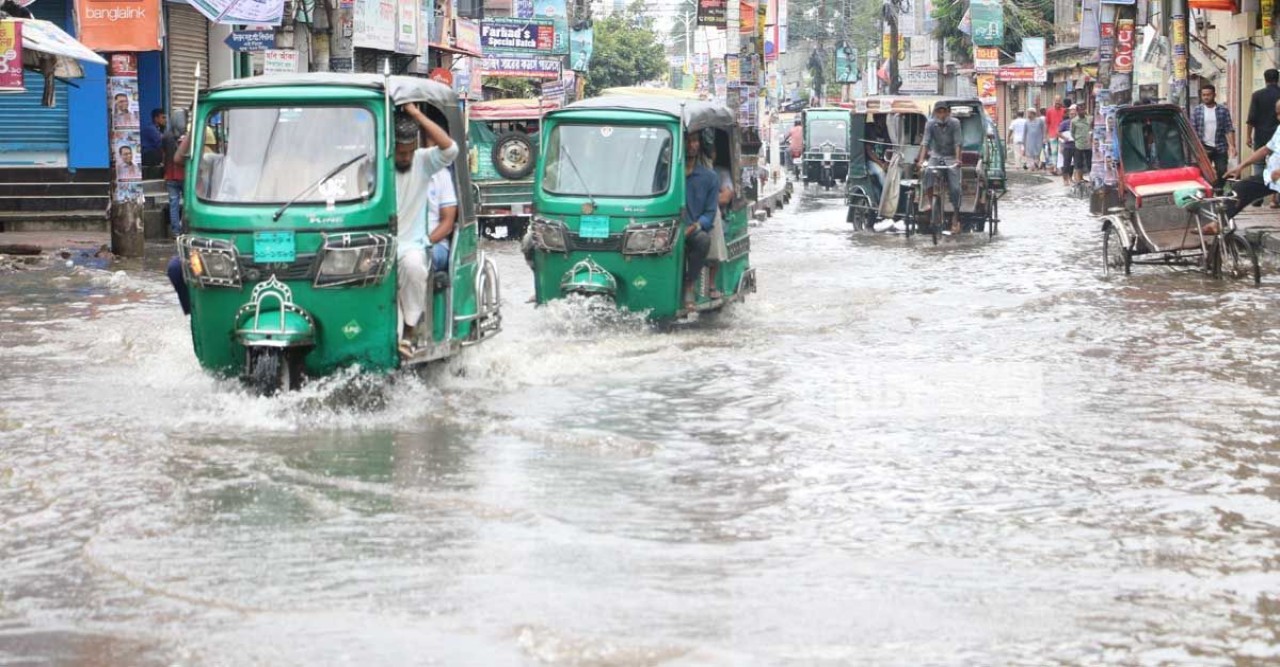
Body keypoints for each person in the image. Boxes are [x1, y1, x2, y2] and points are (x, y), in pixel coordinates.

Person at [392, 104, 459, 354]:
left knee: (412, 265)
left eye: (409, 152)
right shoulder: (377, 166)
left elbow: (450, 148)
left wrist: (417, 114)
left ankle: (410, 331)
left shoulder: (423, 163)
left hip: (413, 244)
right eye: (400, 153)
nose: (405, 158)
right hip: (381, 244)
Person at [682, 130, 719, 311]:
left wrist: (693, 227)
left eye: (694, 141)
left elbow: (710, 213)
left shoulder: (709, 177)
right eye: (687, 141)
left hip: (691, 230)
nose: (691, 145)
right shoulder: (667, 174)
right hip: (667, 227)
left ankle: (689, 284)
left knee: (703, 240)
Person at [1224, 99, 1280, 217]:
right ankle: (1219, 223)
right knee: (1241, 189)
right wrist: (1242, 165)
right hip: (1271, 176)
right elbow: (1266, 149)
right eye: (1277, 114)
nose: (1278, 117)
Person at [916, 100, 963, 234]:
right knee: (927, 173)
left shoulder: (955, 123)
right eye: (939, 112)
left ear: (948, 113)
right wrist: (920, 161)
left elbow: (958, 143)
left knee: (955, 187)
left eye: (944, 111)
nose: (942, 114)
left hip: (951, 157)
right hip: (935, 156)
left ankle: (955, 215)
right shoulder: (930, 124)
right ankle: (932, 204)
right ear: (935, 113)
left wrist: (958, 159)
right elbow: (925, 142)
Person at [1245, 69, 1280, 207]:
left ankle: (1258, 195)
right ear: (1277, 79)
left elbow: (1251, 118)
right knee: (1277, 166)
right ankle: (1274, 199)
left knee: (1259, 164)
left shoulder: (1257, 95)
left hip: (1261, 134)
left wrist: (1248, 136)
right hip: (1276, 136)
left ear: (1265, 79)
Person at [1191, 84, 1236, 186]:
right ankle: (1208, 190)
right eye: (1204, 95)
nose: (1206, 97)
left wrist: (1232, 146)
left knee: (1222, 170)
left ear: (1214, 95)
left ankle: (1219, 190)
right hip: (1203, 147)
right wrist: (1195, 147)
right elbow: (1193, 130)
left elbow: (1228, 128)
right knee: (1204, 172)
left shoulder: (1223, 110)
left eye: (1208, 95)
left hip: (1220, 146)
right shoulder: (1197, 111)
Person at [162, 111, 191, 236]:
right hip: (185, 175)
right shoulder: (187, 137)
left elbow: (163, 156)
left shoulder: (165, 136)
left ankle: (175, 231)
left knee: (173, 203)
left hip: (170, 175)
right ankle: (186, 228)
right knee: (187, 203)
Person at [1071, 106, 1093, 183]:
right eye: (1080, 110)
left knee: (1089, 162)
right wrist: (1077, 139)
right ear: (1077, 111)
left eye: (1083, 110)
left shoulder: (1089, 119)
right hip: (1079, 144)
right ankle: (1079, 178)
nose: (1082, 112)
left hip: (1088, 144)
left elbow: (1092, 129)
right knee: (1078, 162)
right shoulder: (1074, 121)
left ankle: (1092, 178)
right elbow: (1072, 133)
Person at [1045, 98, 1065, 175]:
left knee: (1061, 152)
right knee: (1054, 152)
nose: (1057, 104)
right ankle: (1054, 167)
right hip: (1052, 134)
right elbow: (1047, 123)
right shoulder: (1049, 111)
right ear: (1054, 103)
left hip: (1061, 134)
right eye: (1056, 102)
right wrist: (1046, 135)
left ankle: (1059, 168)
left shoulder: (1063, 110)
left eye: (1059, 102)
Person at [1058, 106, 1076, 187]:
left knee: (1074, 163)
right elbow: (1058, 133)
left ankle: (1071, 177)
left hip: (1076, 145)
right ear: (1069, 115)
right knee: (1066, 163)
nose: (1073, 115)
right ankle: (1065, 180)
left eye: (1074, 114)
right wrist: (1064, 139)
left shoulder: (1078, 122)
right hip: (1067, 145)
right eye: (1071, 114)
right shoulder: (1064, 123)